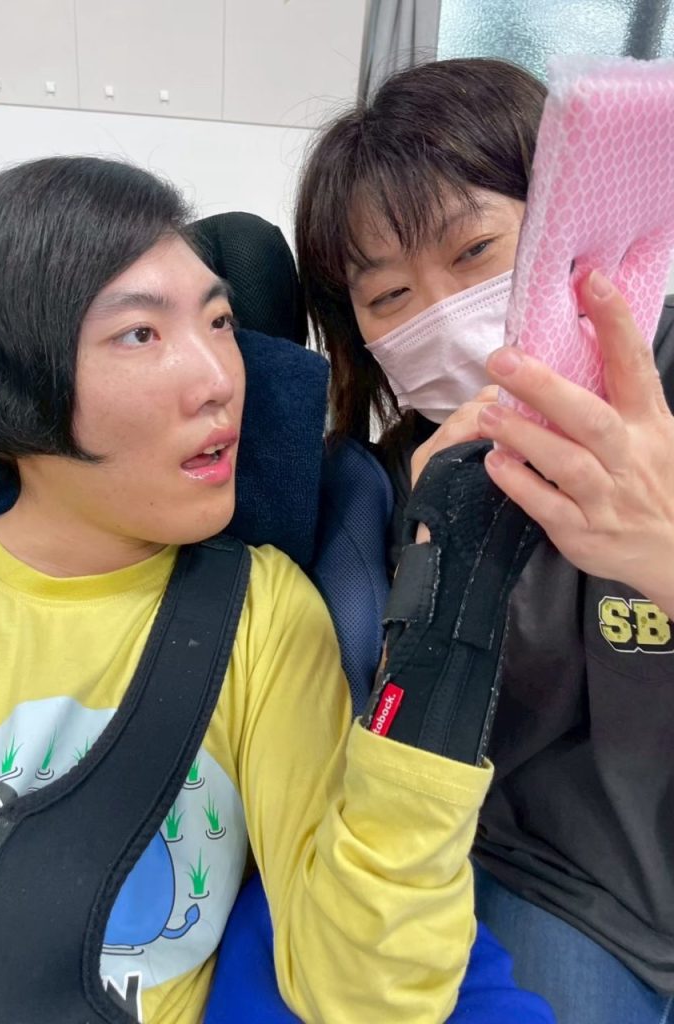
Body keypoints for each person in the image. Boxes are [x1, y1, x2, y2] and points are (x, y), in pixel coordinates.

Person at [0, 155, 507, 1024]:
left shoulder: (261, 613)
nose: (222, 379)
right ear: (6, 384)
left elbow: (365, 992)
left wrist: (447, 627)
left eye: (220, 321)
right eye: (140, 334)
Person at [295, 56, 674, 1024]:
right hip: (555, 879)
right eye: (389, 298)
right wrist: (440, 557)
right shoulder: (388, 487)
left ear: (566, 226)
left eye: (473, 252)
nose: (444, 318)